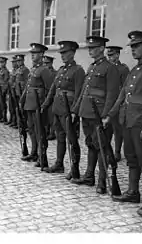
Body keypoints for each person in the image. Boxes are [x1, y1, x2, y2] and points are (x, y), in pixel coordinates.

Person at [103, 31, 142, 217]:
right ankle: (133, 192)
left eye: (136, 46)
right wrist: (109, 115)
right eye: (131, 46)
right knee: (131, 159)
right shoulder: (135, 70)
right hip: (128, 121)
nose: (132, 49)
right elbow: (122, 96)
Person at [70, 36, 120, 194]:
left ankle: (102, 182)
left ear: (101, 48)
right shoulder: (91, 67)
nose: (90, 50)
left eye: (93, 47)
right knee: (91, 143)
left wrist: (106, 116)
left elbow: (112, 94)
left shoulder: (109, 68)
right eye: (89, 48)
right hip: (87, 112)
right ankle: (89, 176)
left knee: (102, 147)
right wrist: (76, 111)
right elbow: (85, 91)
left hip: (99, 114)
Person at [42, 41, 85, 181]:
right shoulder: (61, 70)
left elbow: (79, 93)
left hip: (68, 109)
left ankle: (75, 168)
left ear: (72, 53)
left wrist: (75, 112)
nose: (63, 56)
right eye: (61, 53)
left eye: (65, 53)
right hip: (58, 108)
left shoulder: (78, 70)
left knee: (72, 140)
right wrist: (46, 104)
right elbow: (54, 89)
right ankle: (59, 164)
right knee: (60, 137)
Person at [20, 43, 53, 170]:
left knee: (40, 132)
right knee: (32, 130)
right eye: (32, 53)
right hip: (30, 103)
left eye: (35, 54)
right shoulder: (33, 69)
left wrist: (44, 105)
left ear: (41, 55)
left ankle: (42, 156)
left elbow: (49, 89)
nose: (32, 56)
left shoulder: (44, 70)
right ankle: (34, 153)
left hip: (38, 105)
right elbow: (28, 87)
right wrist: (22, 100)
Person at [106, 46, 130, 161]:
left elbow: (125, 87)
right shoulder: (107, 68)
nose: (110, 58)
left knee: (117, 129)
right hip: (107, 101)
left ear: (117, 55)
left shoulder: (123, 69)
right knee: (107, 128)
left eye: (112, 55)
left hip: (117, 102)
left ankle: (117, 152)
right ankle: (108, 151)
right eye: (108, 56)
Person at [43, 55, 57, 141]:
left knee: (51, 115)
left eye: (47, 63)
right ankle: (46, 131)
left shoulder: (54, 73)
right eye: (44, 63)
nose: (45, 65)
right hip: (44, 95)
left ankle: (52, 132)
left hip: (52, 95)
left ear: (51, 63)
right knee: (45, 115)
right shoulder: (43, 72)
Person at [0, 56, 10, 123]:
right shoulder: (0, 70)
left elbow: (6, 81)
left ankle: (4, 117)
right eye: (0, 62)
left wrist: (4, 90)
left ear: (5, 63)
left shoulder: (6, 71)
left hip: (2, 89)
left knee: (3, 104)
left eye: (2, 62)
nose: (0, 63)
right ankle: (1, 116)